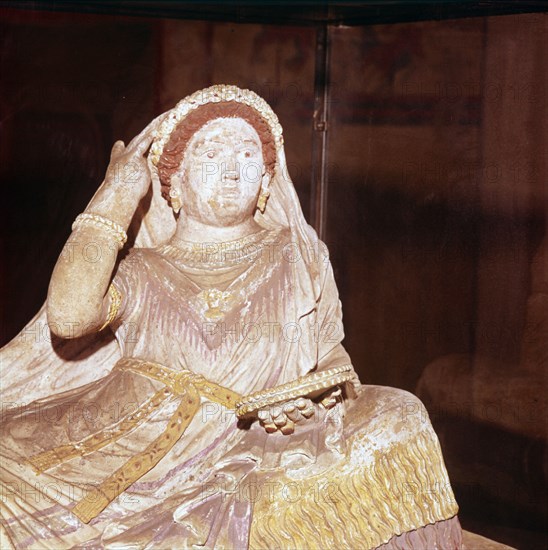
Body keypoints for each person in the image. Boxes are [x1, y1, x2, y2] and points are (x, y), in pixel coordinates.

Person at [0, 85, 462, 549]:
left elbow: (334, 361)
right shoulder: (142, 268)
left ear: (265, 182)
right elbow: (69, 317)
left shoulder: (299, 255)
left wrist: (309, 398)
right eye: (209, 153)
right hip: (107, 437)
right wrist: (115, 198)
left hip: (245, 445)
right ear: (173, 183)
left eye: (246, 155)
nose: (230, 168)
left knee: (400, 413)